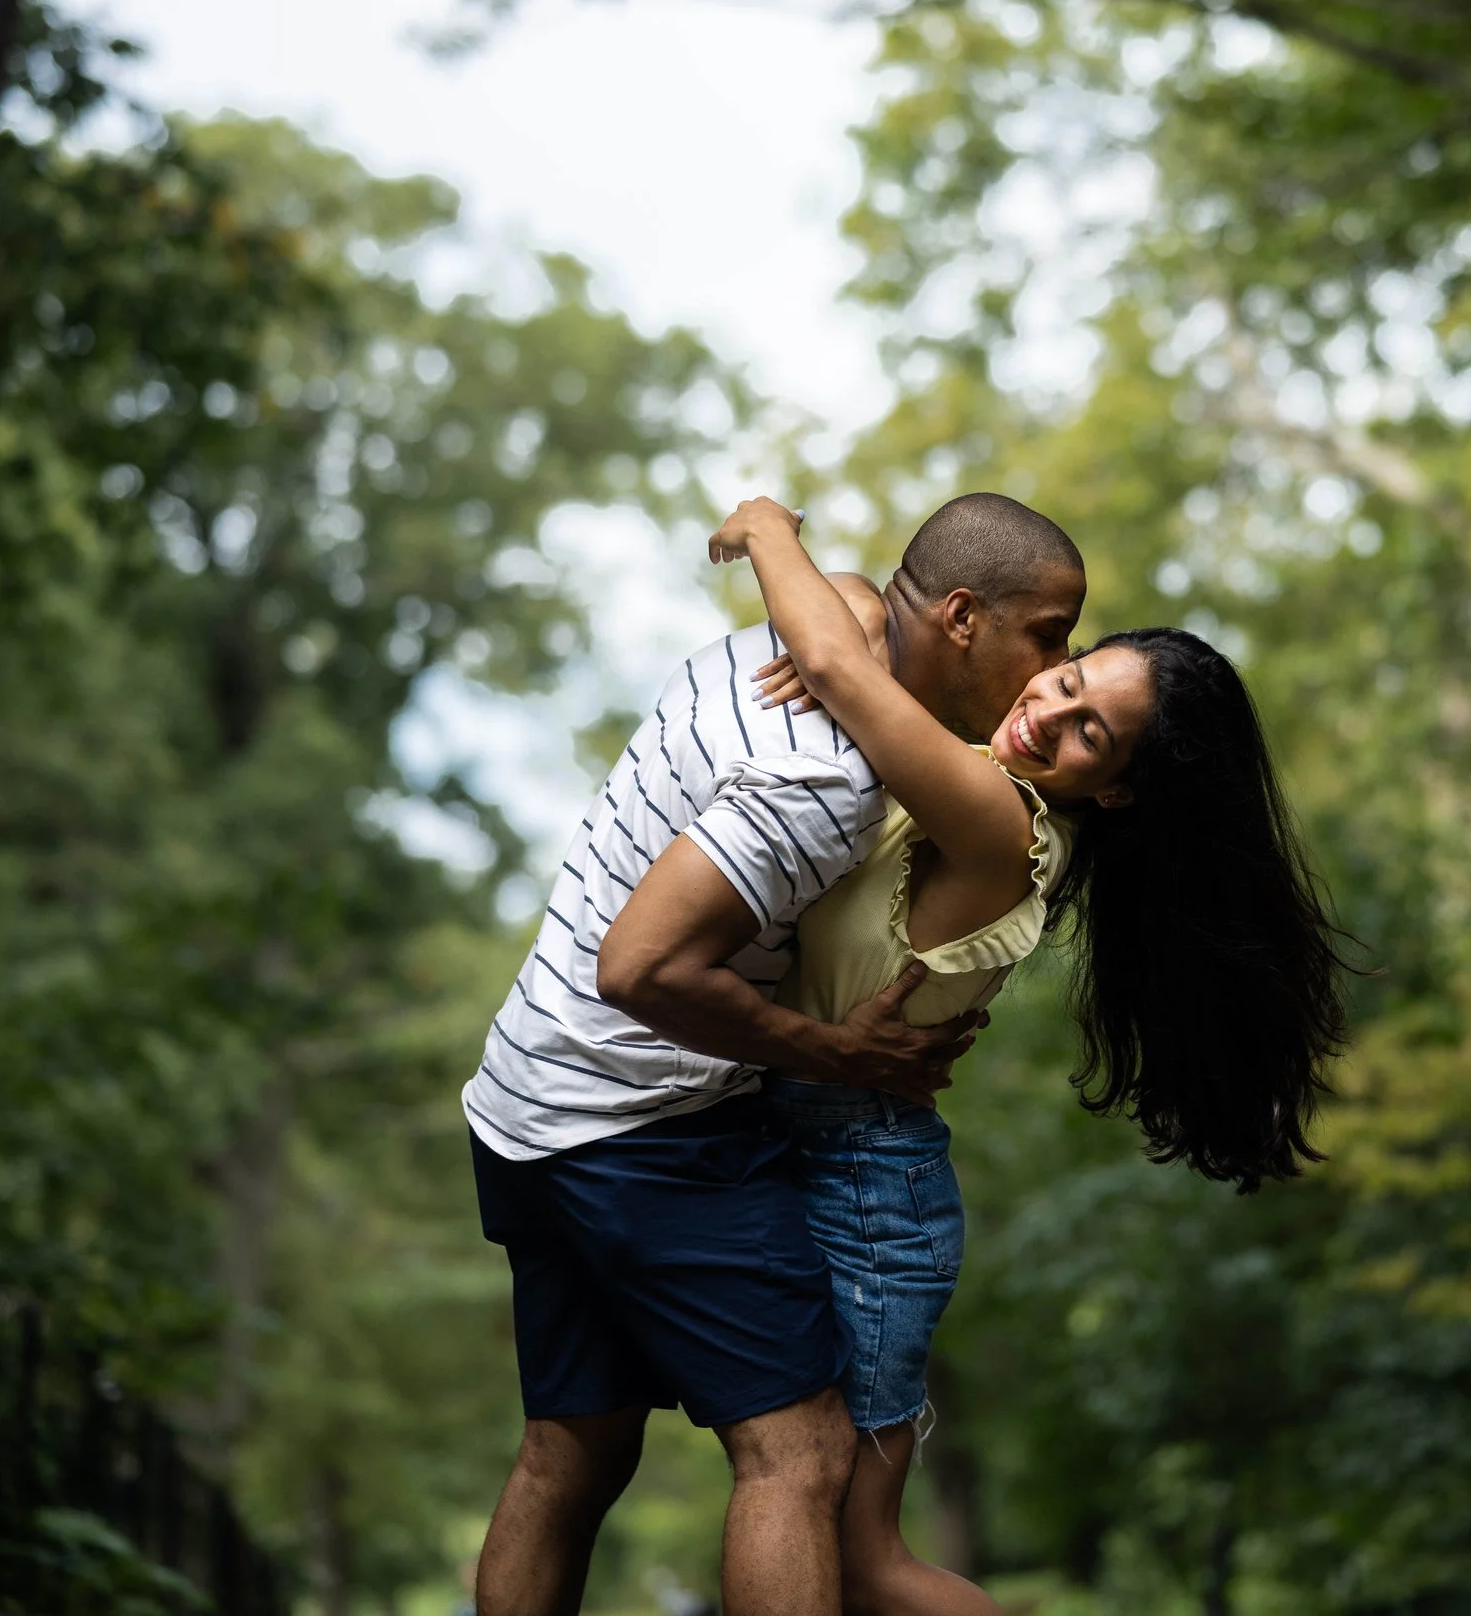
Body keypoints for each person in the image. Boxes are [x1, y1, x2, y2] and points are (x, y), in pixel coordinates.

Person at [647, 494, 1350, 1616]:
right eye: (1067, 678)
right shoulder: (981, 778)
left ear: (1115, 788)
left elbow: (833, 661)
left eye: (1090, 734)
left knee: (865, 1553)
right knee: (813, 1513)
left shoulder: (995, 816)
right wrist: (866, 605)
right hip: (815, 1151)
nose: (1048, 712)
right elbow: (865, 631)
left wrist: (768, 531)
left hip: (867, 1190)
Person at [464, 492, 1087, 1616]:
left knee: (571, 1451)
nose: (1058, 661)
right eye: (1048, 632)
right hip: (636, 1124)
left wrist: (770, 533)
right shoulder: (828, 777)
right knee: (799, 1456)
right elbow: (642, 968)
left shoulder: (773, 644)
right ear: (960, 617)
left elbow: (842, 609)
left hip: (522, 1094)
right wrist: (839, 1052)